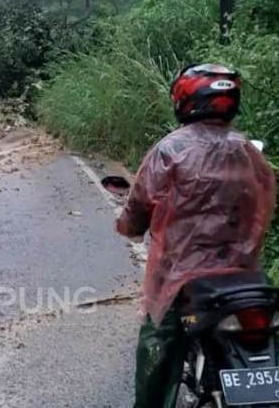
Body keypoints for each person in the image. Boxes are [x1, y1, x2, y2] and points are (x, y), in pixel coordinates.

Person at [115, 63, 277, 408]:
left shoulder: (168, 151)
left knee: (157, 339)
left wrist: (129, 226)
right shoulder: (248, 150)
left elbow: (137, 211)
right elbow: (263, 203)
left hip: (182, 277)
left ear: (185, 101)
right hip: (246, 274)